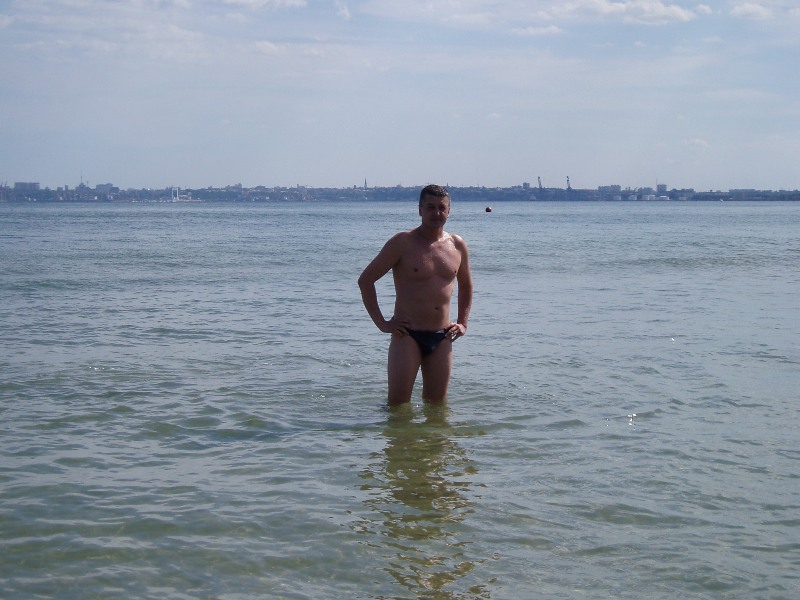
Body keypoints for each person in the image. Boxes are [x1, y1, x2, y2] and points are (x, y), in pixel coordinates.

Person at [358, 184, 473, 405]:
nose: (436, 213)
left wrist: (463, 323)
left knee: (437, 407)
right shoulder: (402, 242)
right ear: (420, 209)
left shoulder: (457, 245)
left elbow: (466, 285)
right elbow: (366, 281)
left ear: (449, 211)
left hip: (442, 336)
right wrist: (382, 324)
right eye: (430, 207)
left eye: (442, 207)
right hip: (407, 335)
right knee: (398, 406)